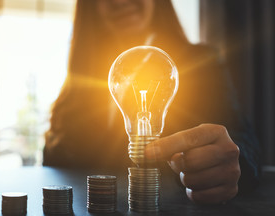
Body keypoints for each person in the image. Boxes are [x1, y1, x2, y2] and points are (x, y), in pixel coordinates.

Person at [43, 0, 260, 205]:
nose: (119, 2)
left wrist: (228, 164)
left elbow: (242, 143)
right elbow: (54, 159)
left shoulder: (201, 63)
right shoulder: (80, 82)